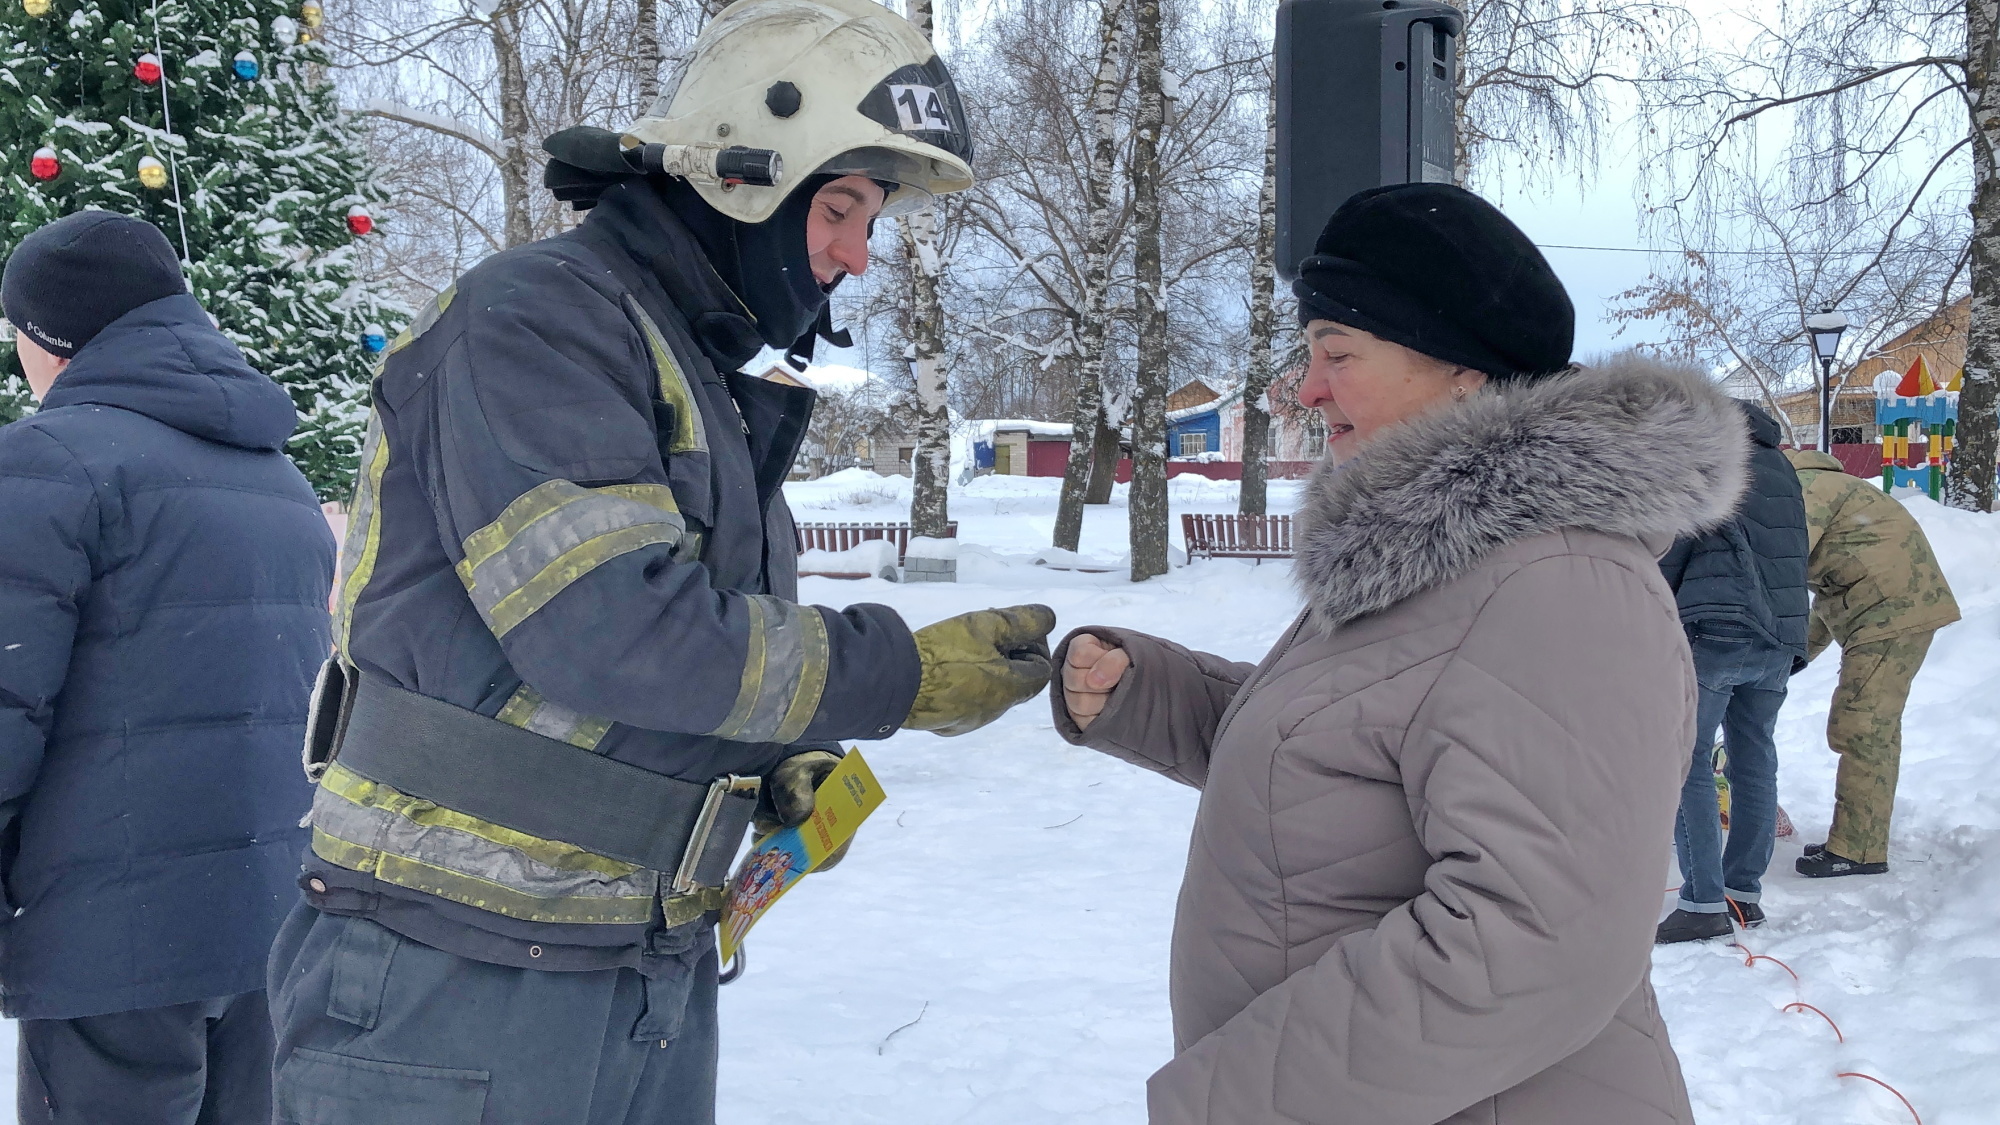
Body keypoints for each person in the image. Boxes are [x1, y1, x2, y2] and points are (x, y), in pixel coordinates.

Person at [266, 2, 1054, 1121]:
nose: (856, 258)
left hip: (628, 959)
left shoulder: (690, 366)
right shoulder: (535, 321)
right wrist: (900, 676)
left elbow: (684, 648)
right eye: (840, 210)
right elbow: (613, 633)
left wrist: (772, 755)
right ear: (744, 174)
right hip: (450, 967)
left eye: (868, 220)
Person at [1054, 184, 1742, 1125]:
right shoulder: (1434, 559)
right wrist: (1154, 695)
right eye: (1308, 355)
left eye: (1339, 354)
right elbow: (1353, 757)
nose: (1307, 389)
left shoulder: (1563, 584)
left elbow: (1538, 941)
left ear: (1462, 374)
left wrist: (1234, 1101)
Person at [0, 212, 334, 1123]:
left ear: (53, 337)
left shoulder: (48, 462)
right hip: (268, 925)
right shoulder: (277, 476)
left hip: (112, 942)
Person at [1652, 401, 1810, 943]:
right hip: (1779, 635)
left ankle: (1702, 903)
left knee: (1687, 758)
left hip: (1717, 627)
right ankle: (1743, 895)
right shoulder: (1783, 467)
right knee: (1753, 757)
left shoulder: (1711, 459)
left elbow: (1672, 549)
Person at [1785, 449, 1959, 877]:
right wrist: (1792, 654)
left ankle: (1857, 851)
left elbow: (1780, 567)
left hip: (1891, 612)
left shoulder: (1805, 491)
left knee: (1862, 727)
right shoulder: (1821, 485)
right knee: (1871, 727)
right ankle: (1860, 838)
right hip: (1889, 607)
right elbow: (1832, 587)